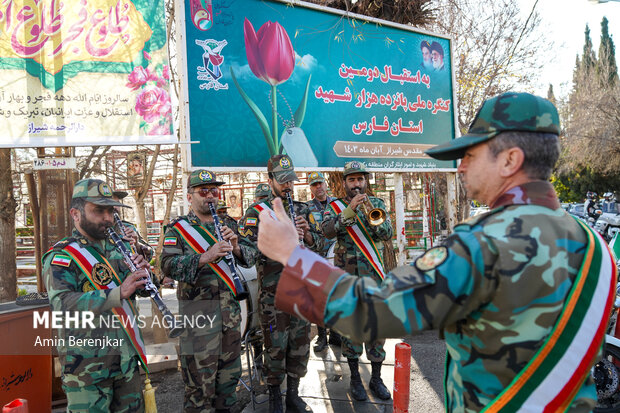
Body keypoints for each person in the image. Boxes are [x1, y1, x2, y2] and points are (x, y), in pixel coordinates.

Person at [257, 92, 616, 412]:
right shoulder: (597, 248)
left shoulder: (482, 243)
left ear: (510, 160)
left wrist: (293, 254)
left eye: (470, 155)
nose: (460, 166)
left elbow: (374, 312)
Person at [42, 178, 151, 412]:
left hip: (126, 363)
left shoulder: (118, 248)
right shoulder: (63, 255)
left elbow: (135, 294)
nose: (108, 218)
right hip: (87, 371)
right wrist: (116, 293)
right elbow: (62, 304)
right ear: (76, 214)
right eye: (98, 210)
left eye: (110, 210)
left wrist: (145, 278)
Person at [238, 155, 324, 413]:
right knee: (275, 348)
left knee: (300, 346)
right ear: (270, 180)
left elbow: (320, 245)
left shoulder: (302, 209)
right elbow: (248, 254)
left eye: (291, 181)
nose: (288, 186)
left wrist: (307, 234)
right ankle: (275, 395)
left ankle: (293, 394)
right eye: (282, 181)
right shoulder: (257, 213)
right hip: (274, 295)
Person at [160, 170, 246, 412]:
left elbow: (251, 256)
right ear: (190, 197)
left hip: (229, 318)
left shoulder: (229, 224)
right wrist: (205, 257)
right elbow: (167, 266)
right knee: (199, 389)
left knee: (228, 384)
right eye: (203, 191)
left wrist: (237, 247)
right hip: (198, 321)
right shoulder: (178, 229)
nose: (211, 196)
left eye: (214, 191)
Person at [319, 161, 393, 401]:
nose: (357, 184)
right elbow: (328, 230)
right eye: (352, 180)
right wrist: (349, 210)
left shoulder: (378, 204)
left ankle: (376, 378)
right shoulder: (335, 206)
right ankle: (354, 379)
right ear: (344, 183)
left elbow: (387, 233)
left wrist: (368, 213)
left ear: (366, 181)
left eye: (360, 179)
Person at [304, 172, 340, 353]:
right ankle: (321, 336)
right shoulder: (306, 208)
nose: (318, 187)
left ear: (326, 184)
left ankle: (335, 334)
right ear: (310, 188)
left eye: (320, 183)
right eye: (314, 184)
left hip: (337, 257)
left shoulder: (337, 204)